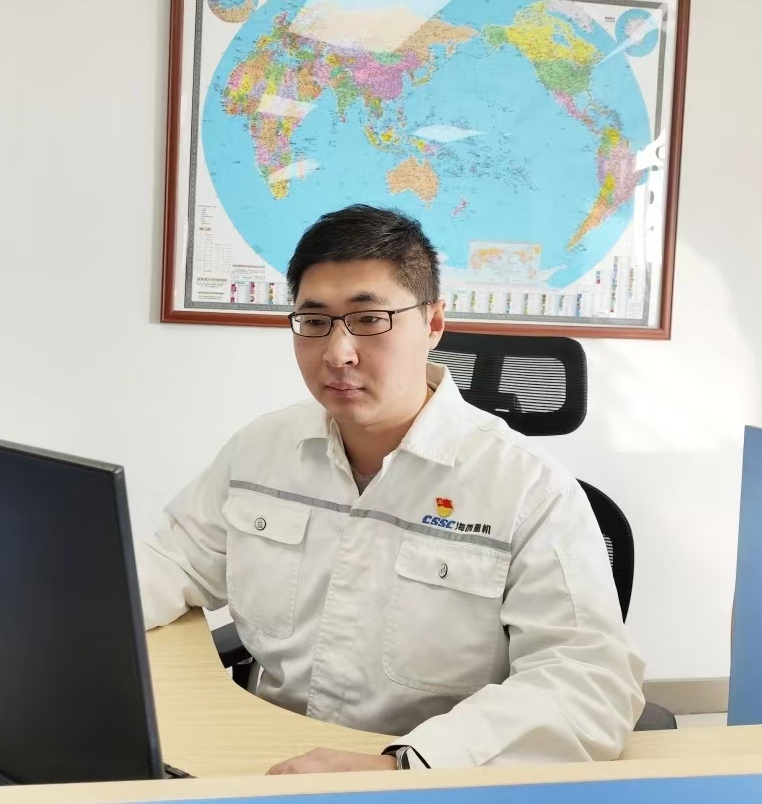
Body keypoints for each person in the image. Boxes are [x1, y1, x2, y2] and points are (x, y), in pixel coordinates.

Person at [136, 204, 645, 773]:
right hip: (269, 757)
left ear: (433, 323)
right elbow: (170, 563)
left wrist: (401, 767)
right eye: (314, 321)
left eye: (369, 318)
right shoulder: (262, 450)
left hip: (433, 775)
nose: (338, 353)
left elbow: (588, 684)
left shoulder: (530, 490)